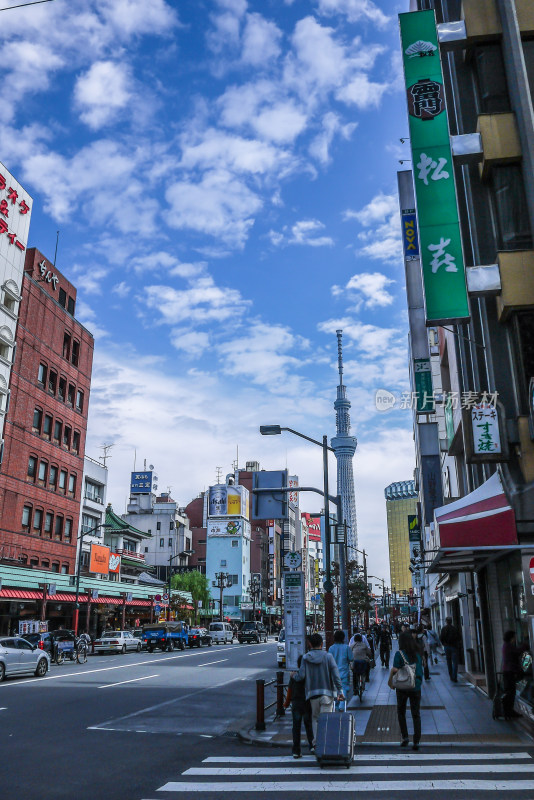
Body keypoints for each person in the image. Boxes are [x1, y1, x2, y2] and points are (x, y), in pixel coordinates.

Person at [293, 632, 344, 740]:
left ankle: (317, 744)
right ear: (321, 644)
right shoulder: (328, 657)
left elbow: (301, 676)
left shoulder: (305, 658)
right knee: (326, 720)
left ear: (309, 644)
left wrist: (293, 676)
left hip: (312, 694)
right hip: (327, 694)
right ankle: (326, 744)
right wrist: (340, 691)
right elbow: (336, 675)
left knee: (315, 719)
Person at [388, 630, 423, 751]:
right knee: (416, 713)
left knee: (401, 711)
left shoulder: (399, 654)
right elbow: (420, 671)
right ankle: (416, 741)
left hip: (402, 687)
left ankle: (405, 737)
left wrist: (391, 678)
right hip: (415, 687)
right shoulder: (417, 654)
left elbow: (395, 670)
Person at [284, 655, 314, 758]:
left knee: (296, 726)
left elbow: (289, 691)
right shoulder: (310, 675)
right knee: (309, 725)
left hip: (296, 703)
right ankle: (312, 745)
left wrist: (286, 703)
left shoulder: (294, 676)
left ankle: (296, 750)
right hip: (307, 702)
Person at [501, 630, 526, 720]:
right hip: (509, 671)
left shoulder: (506, 645)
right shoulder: (508, 646)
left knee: (510, 691)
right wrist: (525, 645)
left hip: (508, 671)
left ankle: (508, 711)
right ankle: (508, 711)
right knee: (510, 692)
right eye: (514, 637)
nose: (515, 638)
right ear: (511, 637)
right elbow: (517, 651)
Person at [328, 630, 354, 708]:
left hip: (333, 674)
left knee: (335, 690)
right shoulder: (346, 647)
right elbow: (351, 658)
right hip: (344, 673)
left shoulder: (331, 648)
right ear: (343, 638)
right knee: (344, 689)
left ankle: (336, 706)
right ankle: (342, 707)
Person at [440, 616, 461, 683]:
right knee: (455, 663)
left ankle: (451, 676)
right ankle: (454, 677)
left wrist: (444, 644)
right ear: (451, 621)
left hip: (447, 647)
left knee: (449, 662)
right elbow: (459, 637)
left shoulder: (444, 629)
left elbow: (441, 638)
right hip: (454, 647)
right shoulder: (454, 629)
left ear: (446, 621)